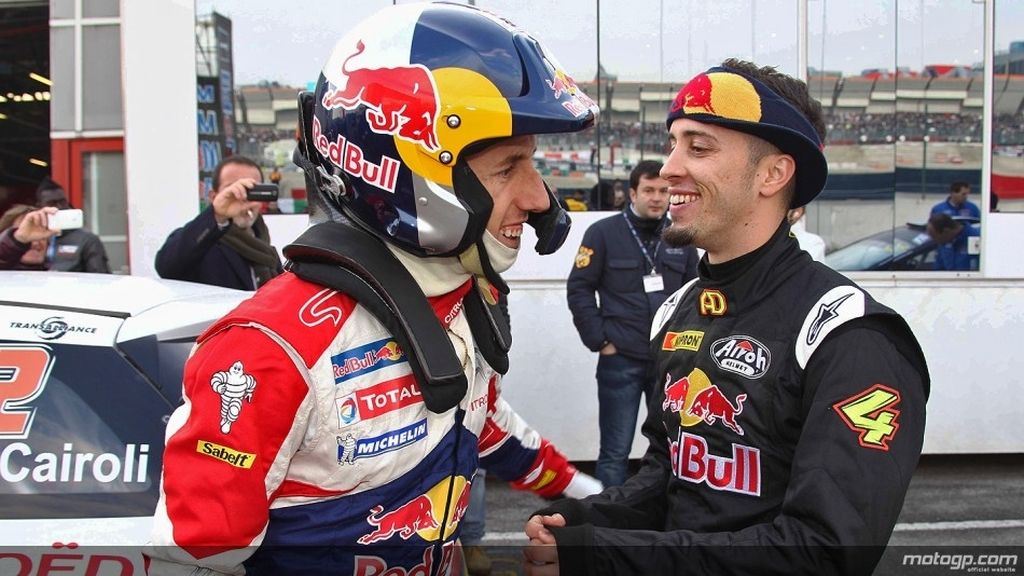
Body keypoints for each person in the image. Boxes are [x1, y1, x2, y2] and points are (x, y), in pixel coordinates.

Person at [144, 4, 602, 575]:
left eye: (531, 165)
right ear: (407, 169)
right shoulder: (270, 348)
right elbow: (196, 555)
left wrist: (587, 491)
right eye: (508, 168)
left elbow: (477, 416)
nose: (538, 199)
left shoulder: (458, 299)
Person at [526, 59, 929, 575]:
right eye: (673, 143)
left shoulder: (850, 335)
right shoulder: (678, 309)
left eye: (698, 147)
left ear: (773, 174)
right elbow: (668, 476)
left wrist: (605, 555)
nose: (669, 168)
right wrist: (584, 518)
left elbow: (824, 552)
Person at [566, 159, 699, 488]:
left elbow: (696, 292)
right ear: (632, 193)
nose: (657, 198)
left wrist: (689, 347)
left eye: (664, 191)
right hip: (620, 360)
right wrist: (599, 341)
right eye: (649, 190)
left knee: (674, 449)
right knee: (615, 452)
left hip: (669, 362)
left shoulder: (680, 234)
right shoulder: (603, 233)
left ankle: (666, 523)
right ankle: (607, 528)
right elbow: (580, 288)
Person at [155, 155, 283, 290]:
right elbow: (166, 266)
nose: (242, 198)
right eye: (233, 190)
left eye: (252, 191)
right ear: (214, 197)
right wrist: (217, 214)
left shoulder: (264, 248)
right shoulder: (202, 242)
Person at [35, 177, 111, 273]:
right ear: (39, 206)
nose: (59, 207)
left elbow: (100, 278)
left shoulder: (87, 239)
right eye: (52, 203)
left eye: (62, 202)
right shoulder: (32, 237)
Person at [0, 204, 57, 270]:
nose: (35, 243)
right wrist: (19, 240)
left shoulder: (61, 275)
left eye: (41, 236)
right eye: (25, 233)